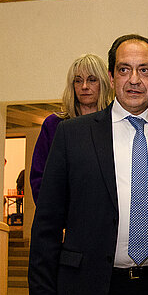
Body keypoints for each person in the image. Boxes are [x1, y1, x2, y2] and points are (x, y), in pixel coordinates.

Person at [28, 34, 148, 295]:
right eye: (124, 69)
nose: (134, 79)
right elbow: (47, 226)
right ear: (112, 78)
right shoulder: (71, 135)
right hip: (88, 286)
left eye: (144, 70)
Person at [29, 53, 113, 203]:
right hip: (66, 219)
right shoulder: (54, 125)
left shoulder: (115, 124)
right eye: (78, 81)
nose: (84, 86)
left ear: (104, 83)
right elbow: (39, 178)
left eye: (92, 80)